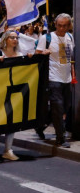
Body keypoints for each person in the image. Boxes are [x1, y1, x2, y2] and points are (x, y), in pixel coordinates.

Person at [36, 14, 74, 147]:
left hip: (67, 78)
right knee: (58, 107)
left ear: (69, 26)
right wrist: (43, 53)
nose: (62, 28)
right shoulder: (46, 38)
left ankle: (40, 125)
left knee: (65, 107)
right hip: (53, 78)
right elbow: (37, 55)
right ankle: (60, 137)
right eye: (59, 25)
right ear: (55, 24)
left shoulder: (70, 37)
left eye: (65, 25)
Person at [0, 30, 26, 160]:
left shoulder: (20, 54)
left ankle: (8, 149)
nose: (14, 40)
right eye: (11, 37)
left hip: (14, 91)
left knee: (12, 120)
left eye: (16, 38)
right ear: (5, 39)